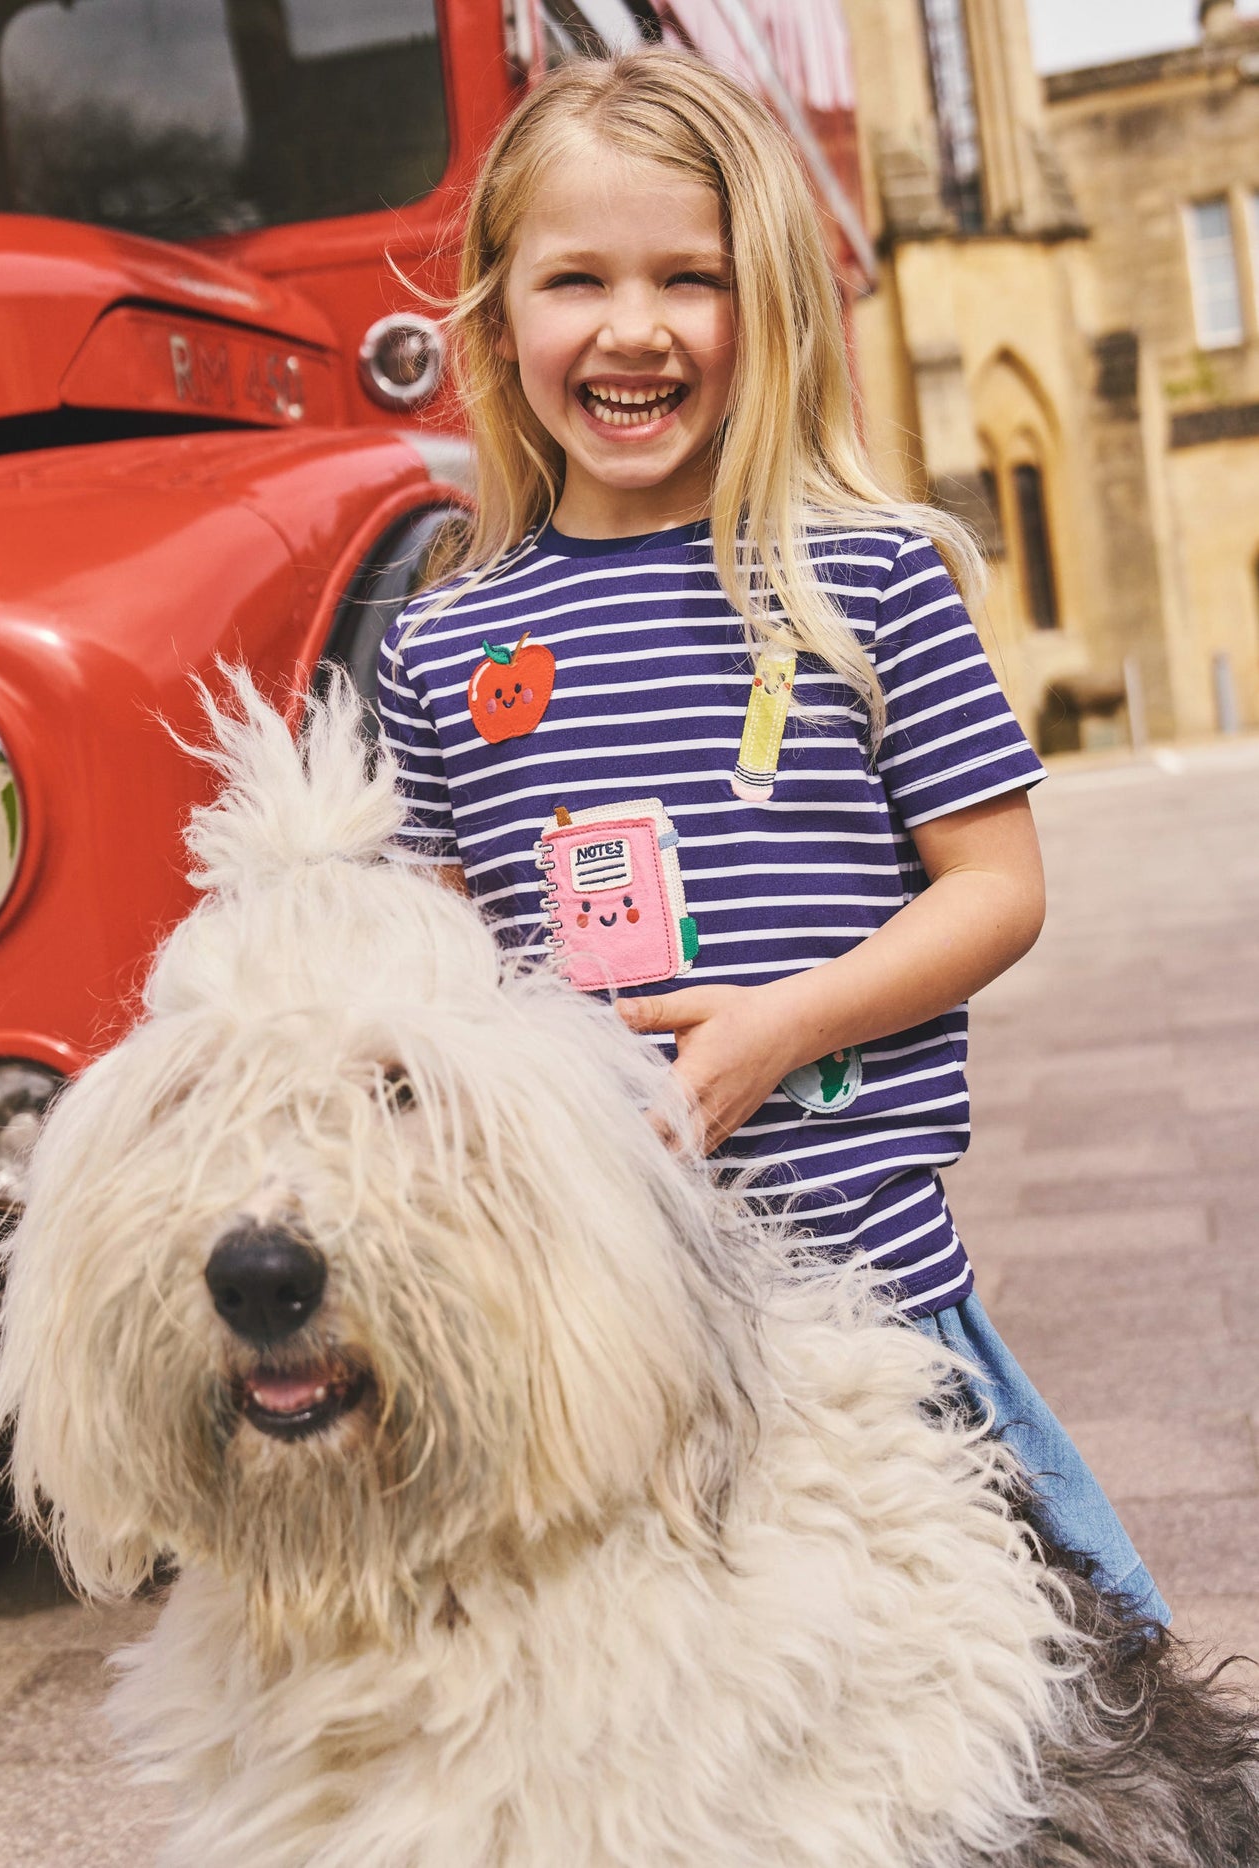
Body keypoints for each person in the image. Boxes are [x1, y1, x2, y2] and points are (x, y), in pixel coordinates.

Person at [376, 48, 1166, 1623]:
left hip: (858, 1279)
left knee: (1044, 1683)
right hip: (584, 1302)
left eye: (691, 278)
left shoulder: (867, 577)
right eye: (574, 279)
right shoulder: (438, 639)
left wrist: (778, 1025)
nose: (632, 327)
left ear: (773, 306)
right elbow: (430, 960)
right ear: (497, 309)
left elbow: (995, 889)